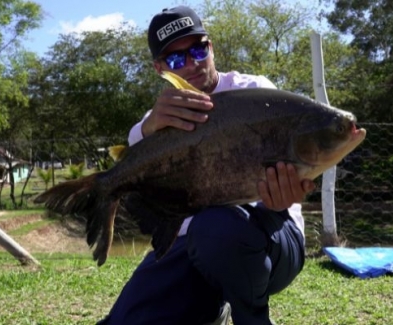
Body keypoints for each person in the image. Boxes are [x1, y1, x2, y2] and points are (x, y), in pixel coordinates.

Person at [96, 5, 316, 325]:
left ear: (210, 47)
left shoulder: (254, 92)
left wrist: (284, 199)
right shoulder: (158, 123)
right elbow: (134, 148)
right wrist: (146, 128)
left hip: (273, 236)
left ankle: (251, 317)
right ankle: (212, 310)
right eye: (175, 59)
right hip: (189, 248)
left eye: (198, 49)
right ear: (160, 68)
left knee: (215, 226)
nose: (192, 64)